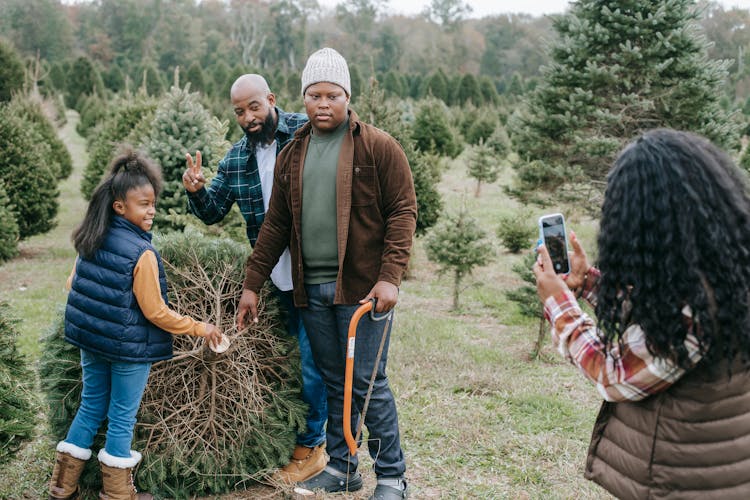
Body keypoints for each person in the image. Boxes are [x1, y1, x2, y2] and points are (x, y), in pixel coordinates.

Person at [236, 47, 416, 500]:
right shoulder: (293, 153)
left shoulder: (376, 146)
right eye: (313, 95)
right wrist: (252, 285)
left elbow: (403, 211)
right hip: (311, 289)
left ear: (346, 96)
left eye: (331, 95)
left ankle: (393, 476)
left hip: (362, 291)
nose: (321, 103)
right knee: (336, 382)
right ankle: (342, 468)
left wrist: (390, 277)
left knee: (369, 384)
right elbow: (275, 224)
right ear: (303, 97)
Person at [533, 129, 750, 499]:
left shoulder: (696, 309)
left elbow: (613, 373)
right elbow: (658, 320)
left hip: (687, 481)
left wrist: (560, 306)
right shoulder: (725, 267)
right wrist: (589, 285)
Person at [48, 147, 222, 500]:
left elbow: (72, 285)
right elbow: (156, 312)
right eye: (143, 204)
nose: (152, 210)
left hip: (92, 343)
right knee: (122, 414)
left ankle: (61, 486)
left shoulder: (91, 237)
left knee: (92, 404)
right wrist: (201, 327)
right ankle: (117, 494)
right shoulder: (141, 253)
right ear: (120, 207)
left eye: (153, 203)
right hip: (128, 351)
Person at [182, 73, 328, 483]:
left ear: (271, 99)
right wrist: (195, 191)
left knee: (313, 360)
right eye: (239, 112)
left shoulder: (304, 131)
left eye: (254, 107)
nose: (247, 117)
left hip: (314, 270)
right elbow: (212, 212)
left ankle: (313, 446)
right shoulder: (235, 160)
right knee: (295, 360)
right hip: (274, 277)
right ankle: (307, 434)